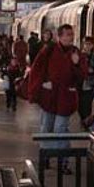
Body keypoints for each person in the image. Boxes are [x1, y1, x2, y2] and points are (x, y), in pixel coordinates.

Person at [28, 24, 87, 174]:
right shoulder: (49, 50)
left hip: (65, 97)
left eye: (71, 34)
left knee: (61, 129)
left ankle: (63, 161)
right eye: (66, 34)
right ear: (59, 36)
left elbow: (82, 76)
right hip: (49, 95)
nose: (69, 37)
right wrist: (41, 85)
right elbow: (37, 68)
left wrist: (75, 64)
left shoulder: (76, 53)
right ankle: (46, 156)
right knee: (46, 127)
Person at [78, 36, 94, 128]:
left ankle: (86, 122)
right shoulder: (79, 55)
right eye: (85, 44)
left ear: (92, 45)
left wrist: (93, 70)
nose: (87, 46)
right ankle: (83, 119)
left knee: (87, 103)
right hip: (80, 83)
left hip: (90, 83)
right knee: (80, 104)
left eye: (89, 44)